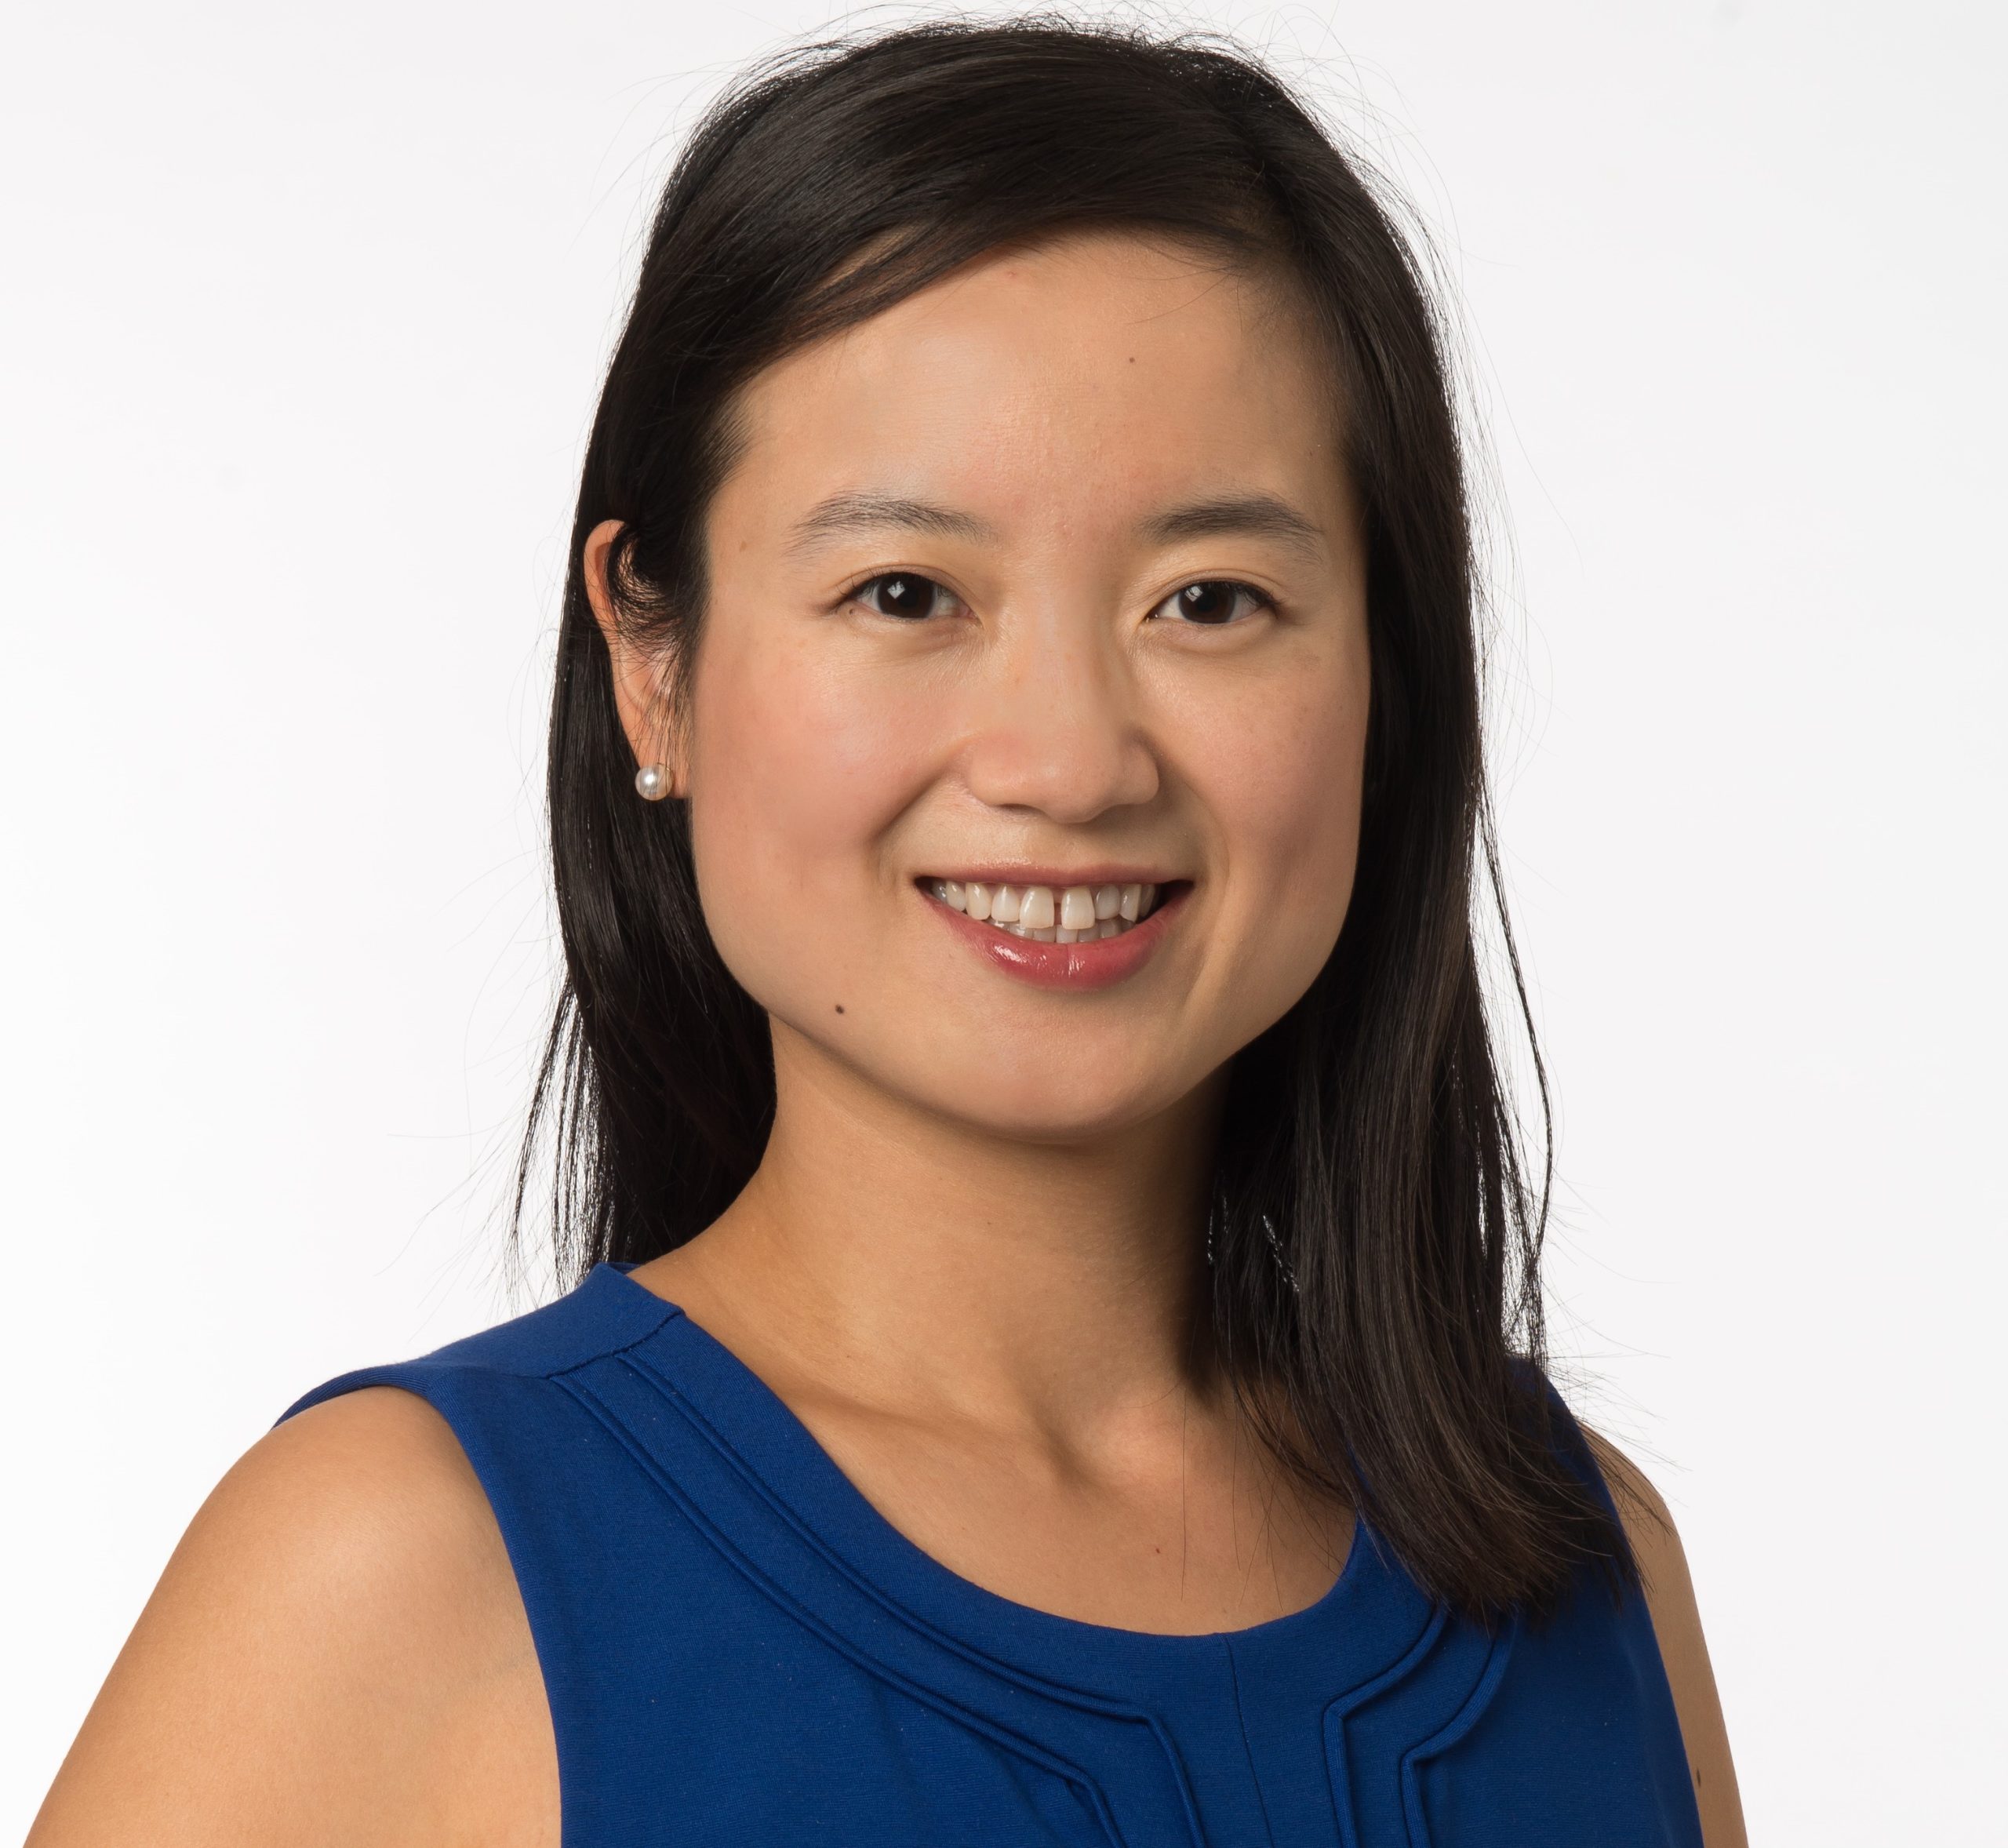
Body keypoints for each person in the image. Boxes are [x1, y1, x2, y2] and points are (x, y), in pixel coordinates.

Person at [28, 21, 1745, 1847]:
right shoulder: (399, 1573)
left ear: (1387, 677)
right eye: (905, 591)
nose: (1070, 760)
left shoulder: (1590, 1569)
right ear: (653, 661)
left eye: (1211, 598)